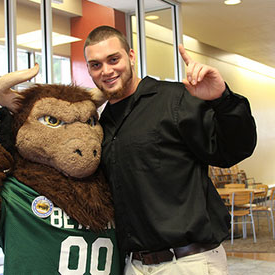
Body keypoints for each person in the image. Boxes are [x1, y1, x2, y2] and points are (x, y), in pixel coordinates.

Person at [84, 25, 257, 275]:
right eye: (95, 64)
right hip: (134, 265)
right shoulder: (102, 124)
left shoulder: (174, 99)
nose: (106, 71)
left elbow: (232, 149)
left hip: (188, 262)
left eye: (114, 59)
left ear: (131, 57)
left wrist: (222, 99)